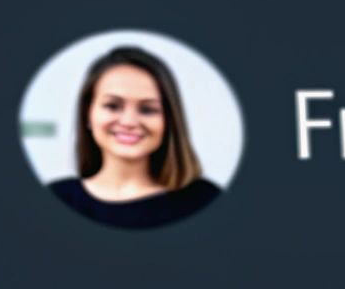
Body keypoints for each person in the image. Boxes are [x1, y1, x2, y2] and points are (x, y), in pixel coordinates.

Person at [48, 46, 221, 229]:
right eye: (113, 106)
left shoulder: (204, 199)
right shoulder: (56, 199)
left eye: (147, 109)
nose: (129, 122)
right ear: (87, 114)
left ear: (169, 121)